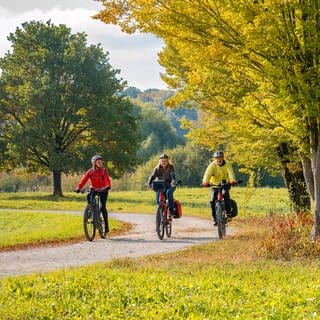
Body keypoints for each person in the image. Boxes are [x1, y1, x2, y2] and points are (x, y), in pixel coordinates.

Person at [75, 154, 111, 234]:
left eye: (101, 162)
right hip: (94, 188)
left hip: (103, 189)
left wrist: (107, 186)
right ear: (94, 163)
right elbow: (84, 180)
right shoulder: (90, 171)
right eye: (99, 162)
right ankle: (90, 210)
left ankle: (106, 226)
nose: (101, 163)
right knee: (89, 196)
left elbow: (107, 179)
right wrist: (78, 188)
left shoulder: (104, 171)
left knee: (103, 207)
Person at [202, 150, 236, 225]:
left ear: (223, 158)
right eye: (217, 158)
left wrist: (232, 181)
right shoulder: (212, 165)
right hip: (214, 185)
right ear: (214, 159)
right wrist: (205, 182)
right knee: (212, 200)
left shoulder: (227, 164)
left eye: (220, 158)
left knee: (225, 194)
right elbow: (207, 174)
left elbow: (231, 173)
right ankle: (215, 218)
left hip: (225, 184)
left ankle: (228, 213)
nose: (218, 159)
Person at [147, 153, 177, 217]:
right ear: (159, 161)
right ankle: (158, 209)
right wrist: (149, 183)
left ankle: (171, 211)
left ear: (167, 161)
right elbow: (152, 176)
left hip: (170, 185)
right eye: (162, 161)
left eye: (165, 161)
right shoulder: (157, 168)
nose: (163, 162)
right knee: (158, 196)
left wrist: (173, 181)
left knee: (169, 193)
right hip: (161, 185)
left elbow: (172, 175)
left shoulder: (171, 167)